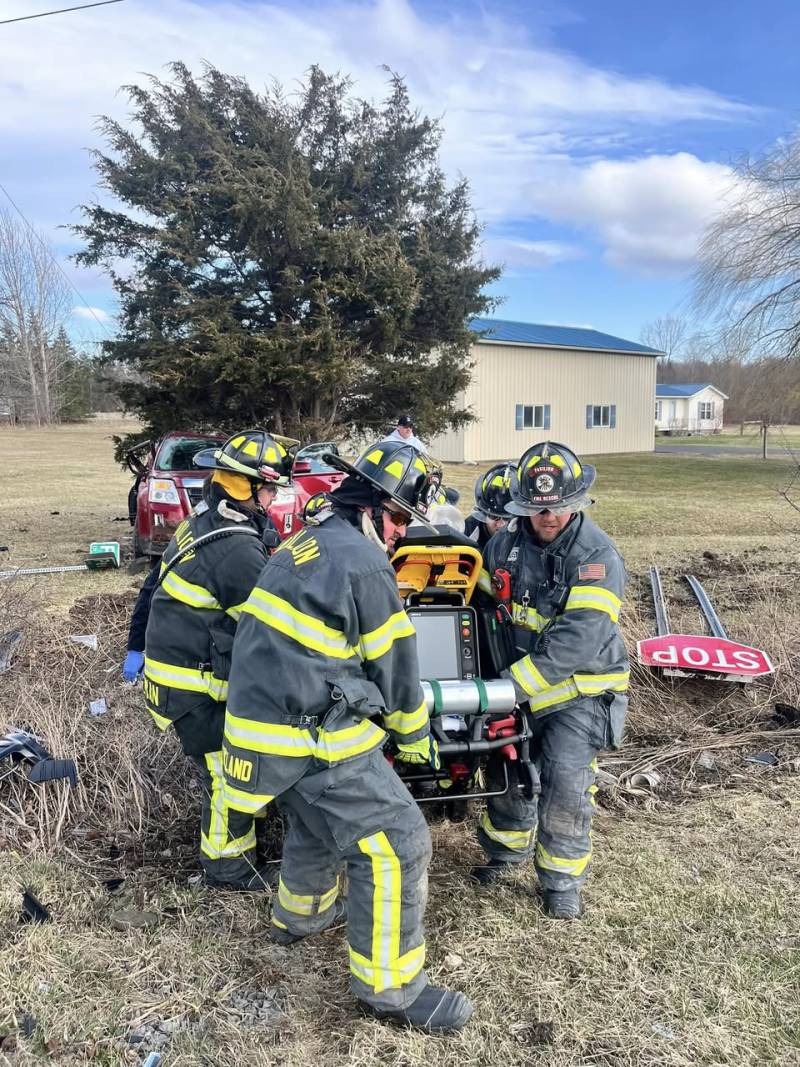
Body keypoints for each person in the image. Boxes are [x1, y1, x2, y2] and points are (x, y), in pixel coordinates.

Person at [220, 439, 474, 1033]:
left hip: (260, 734)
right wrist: (414, 739)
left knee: (314, 820)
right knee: (399, 842)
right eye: (401, 524)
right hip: (303, 735)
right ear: (380, 512)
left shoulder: (305, 542)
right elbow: (395, 665)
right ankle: (391, 991)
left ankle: (298, 918)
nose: (399, 538)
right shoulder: (362, 560)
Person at [472, 441, 628, 920]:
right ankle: (505, 851)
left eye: (558, 508)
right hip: (516, 686)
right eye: (538, 510)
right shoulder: (503, 544)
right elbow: (483, 612)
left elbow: (575, 644)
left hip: (579, 692)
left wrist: (510, 689)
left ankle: (561, 881)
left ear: (576, 502)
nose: (548, 518)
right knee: (508, 770)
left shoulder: (596, 557)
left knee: (565, 781)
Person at [142, 429, 287, 890]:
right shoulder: (236, 547)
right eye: (268, 490)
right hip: (191, 685)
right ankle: (227, 866)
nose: (271, 500)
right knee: (227, 770)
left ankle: (245, 840)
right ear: (245, 487)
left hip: (175, 674)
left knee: (232, 762)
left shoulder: (206, 518)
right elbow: (268, 624)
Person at [464, 463, 513, 550]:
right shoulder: (470, 529)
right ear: (483, 513)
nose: (501, 525)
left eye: (508, 518)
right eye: (494, 517)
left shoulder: (531, 529)